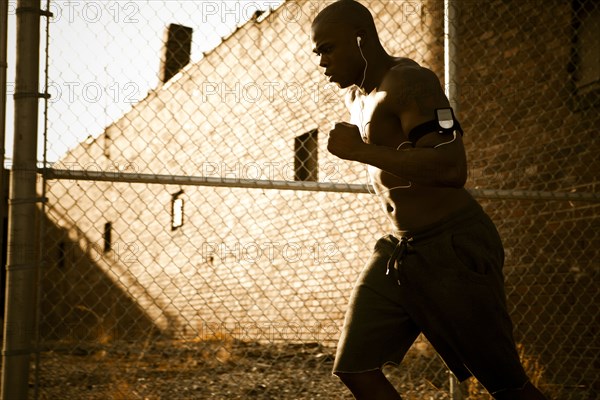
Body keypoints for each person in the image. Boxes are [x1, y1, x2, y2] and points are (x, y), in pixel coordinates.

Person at [310, 1, 549, 399]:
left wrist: (361, 151)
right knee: (354, 366)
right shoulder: (355, 98)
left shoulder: (411, 82)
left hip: (453, 245)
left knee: (508, 387)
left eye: (328, 48)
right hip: (402, 248)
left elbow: (452, 168)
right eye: (317, 52)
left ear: (360, 39)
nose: (321, 61)